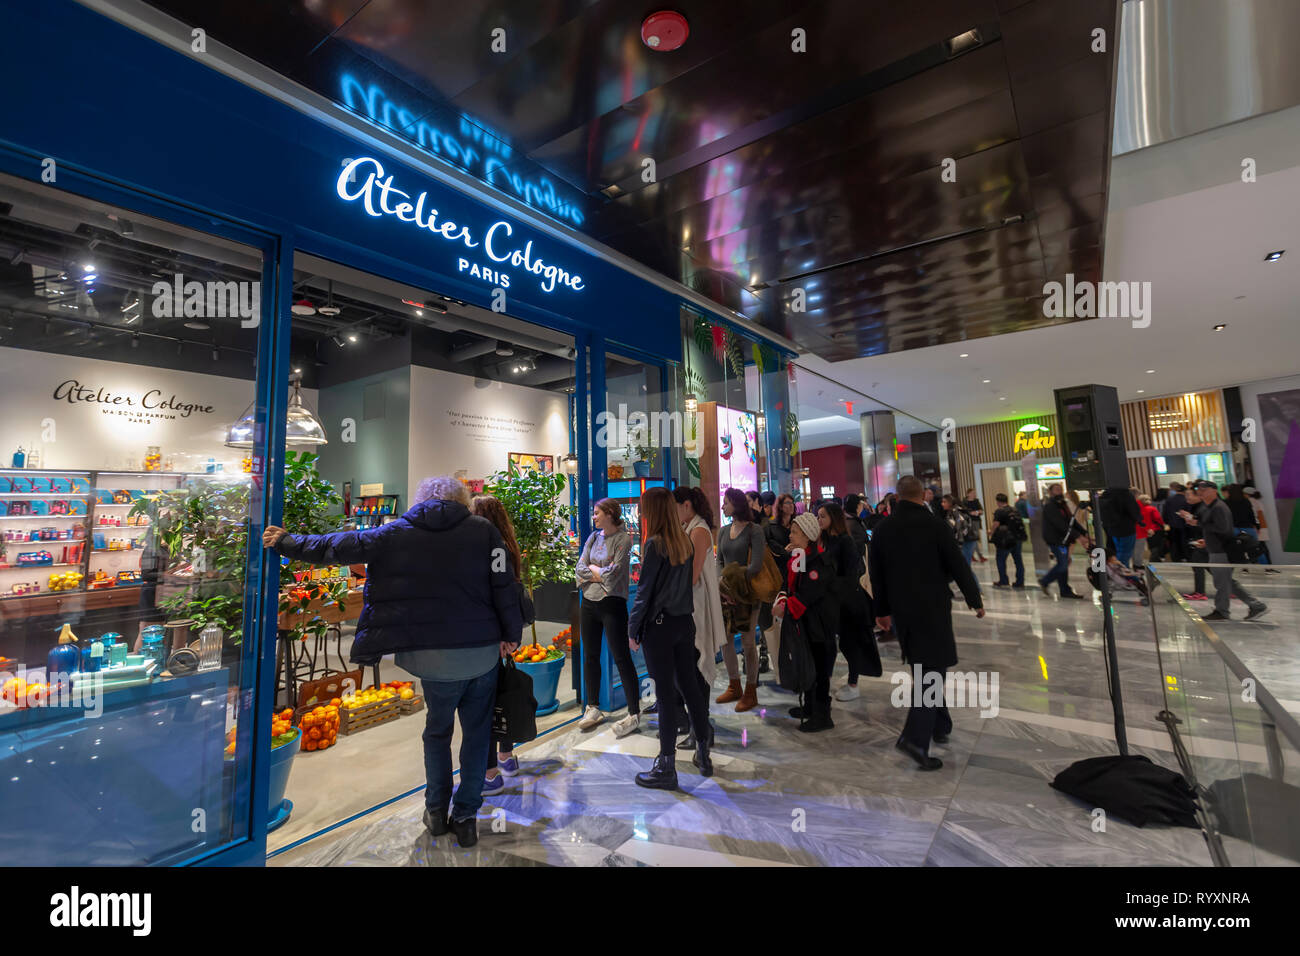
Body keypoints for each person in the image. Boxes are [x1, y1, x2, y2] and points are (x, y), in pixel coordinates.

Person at [263, 475, 521, 848]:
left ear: (421, 499)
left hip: (428, 654)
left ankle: (435, 812)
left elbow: (340, 547)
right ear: (463, 500)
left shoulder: (397, 531)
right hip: (480, 653)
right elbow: (505, 586)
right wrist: (511, 634)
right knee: (477, 734)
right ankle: (465, 817)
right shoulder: (483, 532)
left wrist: (288, 543)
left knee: (437, 731)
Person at [869, 476, 984, 770]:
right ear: (923, 496)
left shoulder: (883, 529)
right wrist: (974, 599)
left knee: (925, 666)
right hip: (932, 609)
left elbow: (877, 574)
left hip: (902, 612)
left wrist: (881, 611)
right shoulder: (935, 525)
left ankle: (940, 724)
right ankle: (916, 740)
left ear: (897, 496)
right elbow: (957, 563)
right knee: (932, 672)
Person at [629, 487, 713, 789]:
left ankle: (666, 765)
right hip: (683, 624)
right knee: (689, 687)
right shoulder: (684, 543)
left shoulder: (655, 545)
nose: (641, 512)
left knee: (665, 696)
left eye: (644, 507)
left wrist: (633, 629)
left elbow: (644, 593)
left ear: (652, 511)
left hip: (660, 628)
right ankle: (703, 751)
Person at [470, 494, 529, 795]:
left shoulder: (489, 549)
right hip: (507, 630)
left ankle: (491, 773)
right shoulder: (509, 545)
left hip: (493, 634)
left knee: (488, 704)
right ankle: (507, 756)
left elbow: (495, 595)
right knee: (503, 694)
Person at [575, 498, 639, 736]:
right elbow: (579, 569)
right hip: (589, 604)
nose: (594, 517)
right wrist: (599, 572)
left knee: (621, 657)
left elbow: (615, 575)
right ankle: (593, 706)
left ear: (610, 514)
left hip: (612, 605)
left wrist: (593, 570)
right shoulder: (593, 538)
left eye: (597, 512)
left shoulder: (623, 539)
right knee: (590, 656)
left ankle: (634, 712)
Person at [774, 511, 839, 731]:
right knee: (809, 664)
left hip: (819, 626)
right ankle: (810, 706)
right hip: (808, 624)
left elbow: (808, 594)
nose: (790, 536)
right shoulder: (802, 557)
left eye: (794, 532)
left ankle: (822, 716)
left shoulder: (818, 561)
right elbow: (791, 585)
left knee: (820, 670)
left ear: (807, 536)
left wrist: (786, 608)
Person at [672, 486, 725, 749]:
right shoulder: (689, 529)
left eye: (676, 506)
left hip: (696, 608)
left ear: (687, 505)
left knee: (695, 671)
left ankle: (701, 728)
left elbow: (691, 575)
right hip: (689, 607)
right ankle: (698, 726)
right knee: (687, 671)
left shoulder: (698, 531)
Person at [1180, 481, 1268, 622]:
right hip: (1215, 548)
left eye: (1204, 489)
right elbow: (1212, 528)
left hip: (1221, 550)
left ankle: (1222, 611)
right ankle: (1256, 605)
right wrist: (1205, 538)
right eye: (1199, 490)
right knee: (1226, 581)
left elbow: (1223, 529)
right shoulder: (1208, 507)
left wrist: (1198, 524)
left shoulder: (1219, 507)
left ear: (1214, 491)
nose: (1201, 492)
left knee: (1222, 582)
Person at [716, 487, 767, 712]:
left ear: (736, 504)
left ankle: (751, 690)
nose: (723, 506)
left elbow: (756, 565)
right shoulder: (724, 531)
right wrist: (722, 584)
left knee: (748, 643)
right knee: (725, 640)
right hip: (725, 594)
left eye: (726, 502)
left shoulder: (754, 530)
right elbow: (719, 561)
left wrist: (733, 583)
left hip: (747, 595)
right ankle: (734, 684)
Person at [819, 502, 874, 703]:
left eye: (823, 516)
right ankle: (826, 679)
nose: (819, 520)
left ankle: (853, 683)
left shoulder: (845, 541)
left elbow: (852, 573)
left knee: (850, 643)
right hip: (830, 601)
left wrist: (831, 583)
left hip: (847, 601)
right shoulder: (824, 540)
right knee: (828, 643)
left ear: (833, 518)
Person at [1038, 483, 1084, 599]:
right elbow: (1060, 524)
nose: (1060, 491)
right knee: (1063, 563)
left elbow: (1071, 520)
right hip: (1055, 539)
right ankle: (1045, 581)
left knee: (1063, 562)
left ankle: (1064, 590)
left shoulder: (1062, 504)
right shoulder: (1050, 506)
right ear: (1050, 492)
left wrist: (1083, 532)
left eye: (1061, 489)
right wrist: (1078, 535)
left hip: (1064, 539)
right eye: (1057, 489)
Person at [988, 492, 1027, 588]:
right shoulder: (1014, 509)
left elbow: (996, 524)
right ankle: (1020, 581)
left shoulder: (999, 511)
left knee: (1000, 559)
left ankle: (1004, 580)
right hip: (1017, 538)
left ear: (998, 501)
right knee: (1018, 560)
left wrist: (990, 532)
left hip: (1006, 540)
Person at [1099, 486, 1142, 569]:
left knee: (1118, 551)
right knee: (1125, 554)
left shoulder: (1106, 494)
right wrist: (1139, 520)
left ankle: (1117, 572)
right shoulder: (1125, 494)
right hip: (1126, 529)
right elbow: (1134, 512)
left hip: (1112, 529)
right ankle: (1121, 573)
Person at [1133, 493, 1165, 569]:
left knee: (1140, 548)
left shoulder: (1138, 509)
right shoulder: (1152, 509)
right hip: (1154, 529)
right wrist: (1162, 526)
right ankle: (1154, 560)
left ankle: (1138, 563)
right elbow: (1158, 519)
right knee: (1155, 546)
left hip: (1142, 530)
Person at [1245, 487, 1275, 566]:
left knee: (1259, 547)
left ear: (1246, 494)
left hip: (1257, 527)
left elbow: (1257, 516)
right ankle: (1268, 566)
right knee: (1262, 547)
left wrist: (1256, 527)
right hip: (1261, 526)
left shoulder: (1251, 502)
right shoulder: (1258, 501)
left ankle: (1266, 566)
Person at [1162, 482, 1190, 561]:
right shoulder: (1186, 499)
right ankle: (1185, 556)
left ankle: (1175, 557)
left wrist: (1166, 522)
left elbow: (1165, 513)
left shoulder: (1169, 499)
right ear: (1184, 491)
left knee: (1174, 542)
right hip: (1184, 524)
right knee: (1184, 541)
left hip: (1172, 525)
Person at [961, 489, 988, 562]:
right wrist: (974, 512)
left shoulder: (976, 501)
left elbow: (981, 511)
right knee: (974, 538)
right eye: (972, 493)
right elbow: (967, 512)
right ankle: (979, 556)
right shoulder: (964, 502)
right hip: (969, 522)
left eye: (974, 493)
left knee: (975, 539)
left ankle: (972, 555)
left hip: (976, 521)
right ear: (968, 494)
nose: (974, 494)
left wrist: (976, 512)